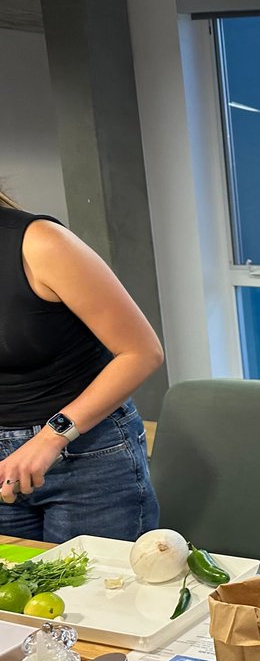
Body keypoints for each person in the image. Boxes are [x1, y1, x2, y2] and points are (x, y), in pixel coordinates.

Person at [0, 189, 163, 542]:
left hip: (84, 455)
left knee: (95, 593)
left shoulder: (41, 244)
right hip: (5, 471)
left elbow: (141, 352)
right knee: (15, 594)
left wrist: (50, 437)